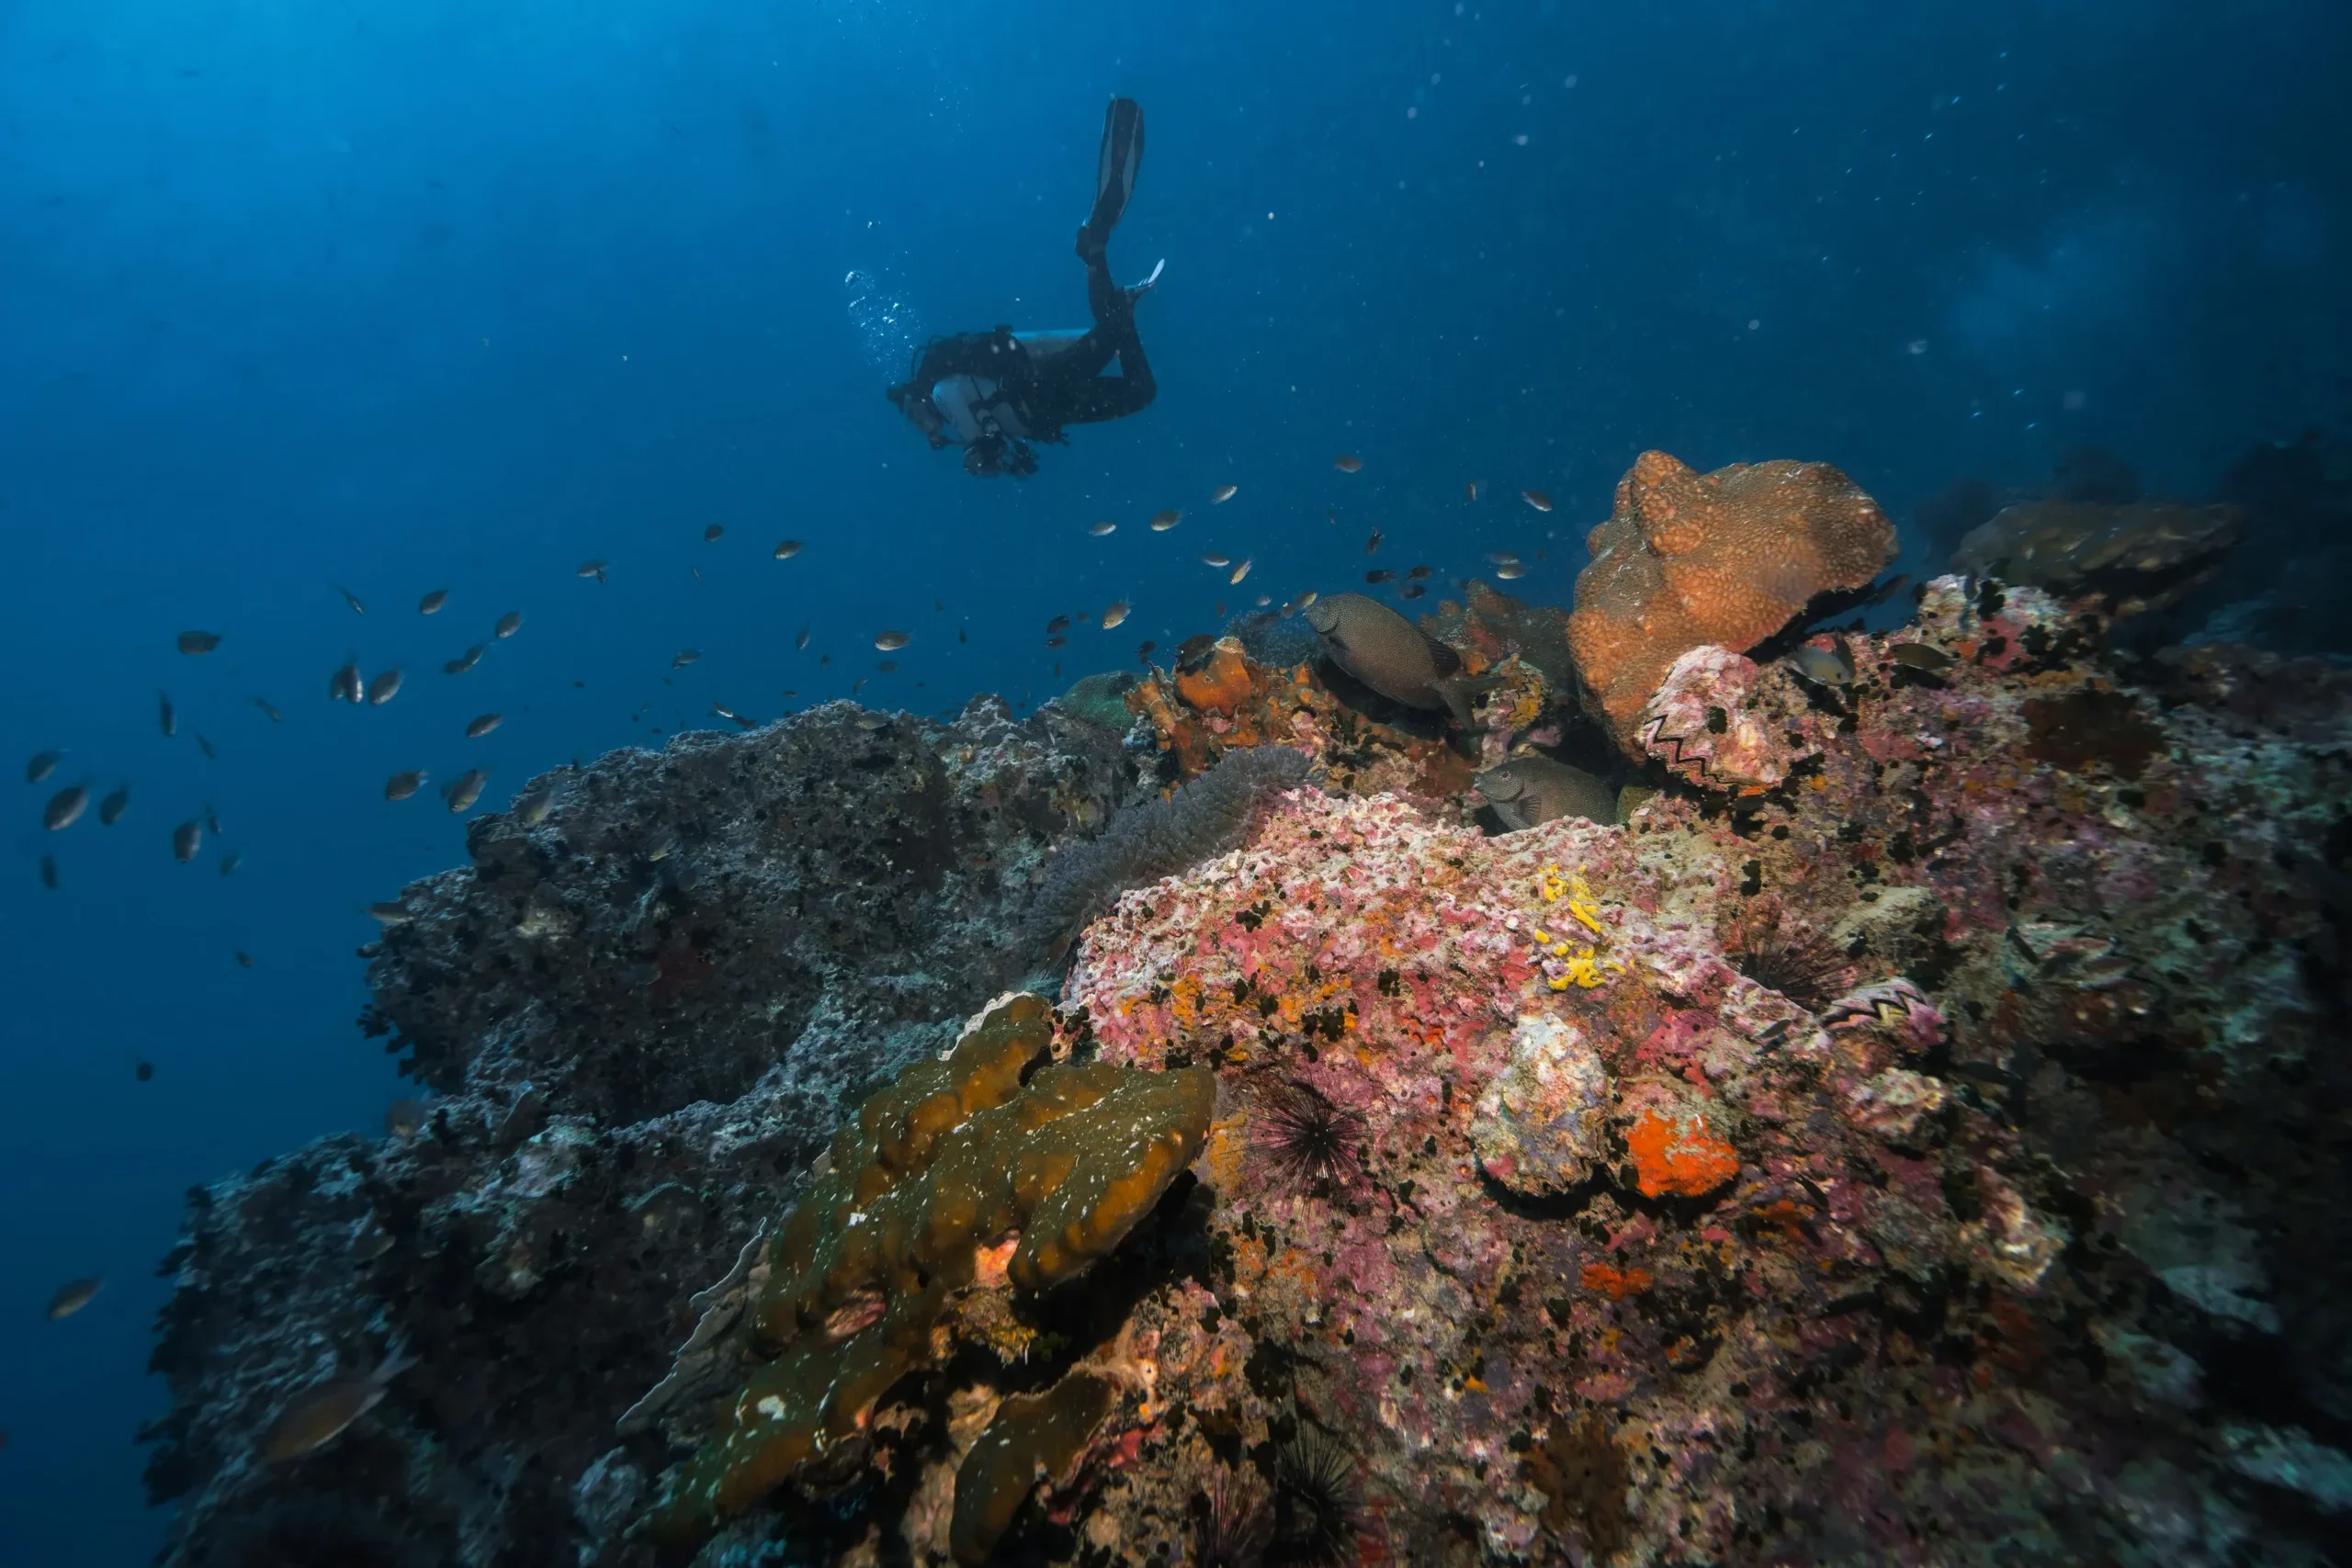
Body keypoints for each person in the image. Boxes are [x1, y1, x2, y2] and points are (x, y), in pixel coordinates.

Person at [887, 97, 1161, 478]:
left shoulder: (940, 393)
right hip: (1050, 407)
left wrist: (979, 454)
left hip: (1043, 389)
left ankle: (1096, 256)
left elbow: (973, 431)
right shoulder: (955, 404)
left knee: (1121, 351)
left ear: (915, 401)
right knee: (1139, 389)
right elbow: (994, 434)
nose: (921, 428)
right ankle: (1114, 294)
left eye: (915, 419)